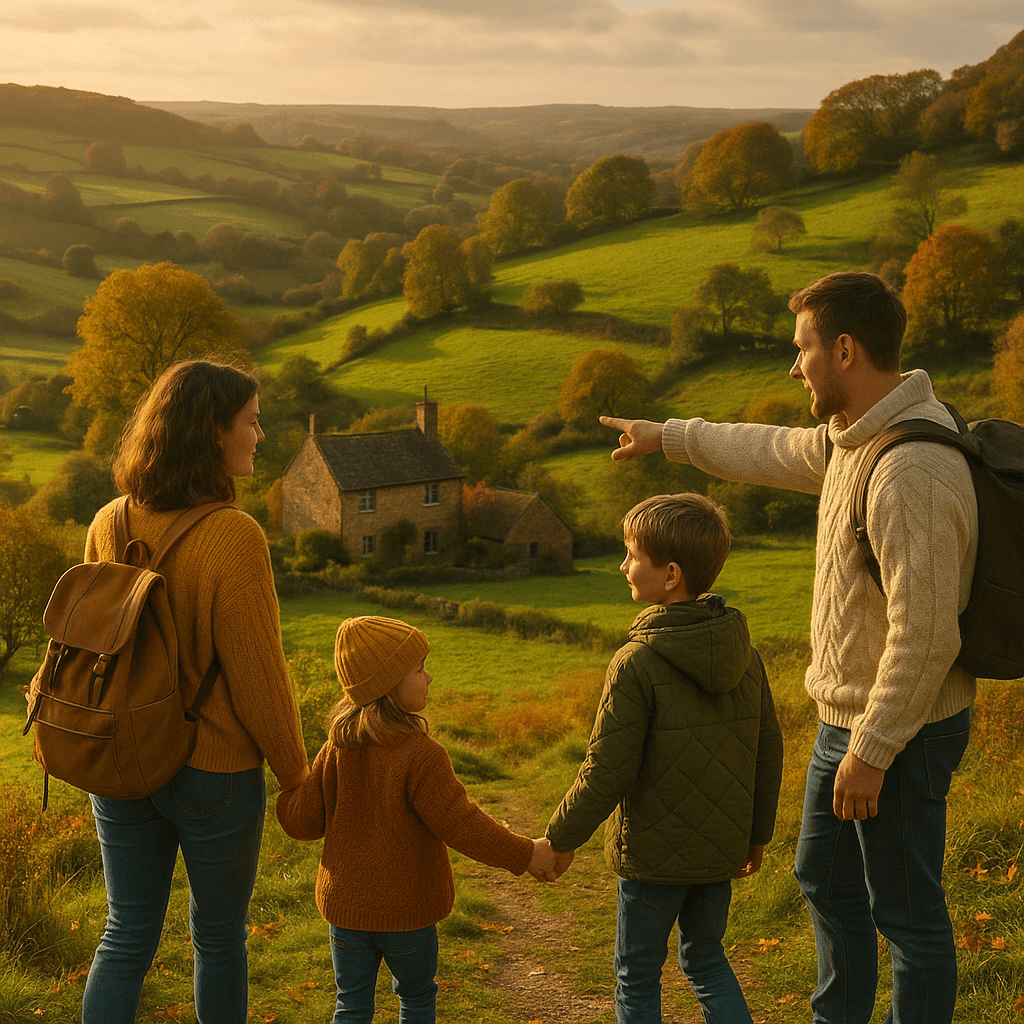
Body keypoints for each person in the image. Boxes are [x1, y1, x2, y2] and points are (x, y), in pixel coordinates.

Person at [602, 272, 978, 1024]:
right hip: (850, 723)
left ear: (844, 349)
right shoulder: (853, 442)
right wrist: (666, 436)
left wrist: (873, 750)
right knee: (826, 882)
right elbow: (768, 448)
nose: (793, 365)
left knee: (906, 916)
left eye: (802, 348)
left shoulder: (912, 469)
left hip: (901, 730)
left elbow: (928, 633)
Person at [64, 359, 310, 1024]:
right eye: (252, 423)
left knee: (125, 933)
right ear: (212, 433)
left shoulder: (108, 520)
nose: (260, 436)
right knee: (219, 940)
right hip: (214, 768)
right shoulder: (234, 535)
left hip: (119, 760)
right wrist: (296, 774)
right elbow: (259, 677)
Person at [545, 493, 783, 1024]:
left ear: (670, 573)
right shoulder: (747, 656)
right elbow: (769, 753)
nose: (623, 565)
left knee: (637, 971)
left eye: (632, 554)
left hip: (653, 858)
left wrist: (558, 839)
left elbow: (606, 768)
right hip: (721, 850)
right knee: (706, 961)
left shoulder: (636, 662)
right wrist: (756, 836)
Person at [276, 614, 559, 1024]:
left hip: (346, 911)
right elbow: (461, 824)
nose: (429, 678)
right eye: (420, 669)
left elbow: (301, 822)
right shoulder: (422, 755)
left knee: (350, 1005)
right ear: (388, 682)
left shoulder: (336, 748)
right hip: (408, 913)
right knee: (416, 998)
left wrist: (288, 780)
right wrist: (526, 853)